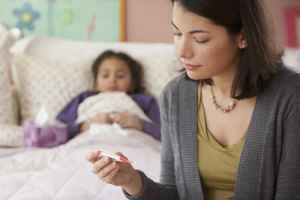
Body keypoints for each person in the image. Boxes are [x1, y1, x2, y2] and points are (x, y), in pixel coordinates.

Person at [85, 0, 300, 199]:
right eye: (177, 33)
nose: (182, 51)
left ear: (243, 36)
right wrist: (131, 180)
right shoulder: (175, 96)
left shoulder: (290, 96)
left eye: (200, 39)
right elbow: (173, 192)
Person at [57, 50, 161, 141]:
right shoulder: (84, 97)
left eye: (120, 76)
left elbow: (165, 135)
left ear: (132, 83)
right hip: (88, 143)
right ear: (95, 83)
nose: (112, 80)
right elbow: (57, 132)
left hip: (135, 143)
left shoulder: (145, 100)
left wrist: (140, 125)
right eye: (105, 75)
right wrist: (84, 126)